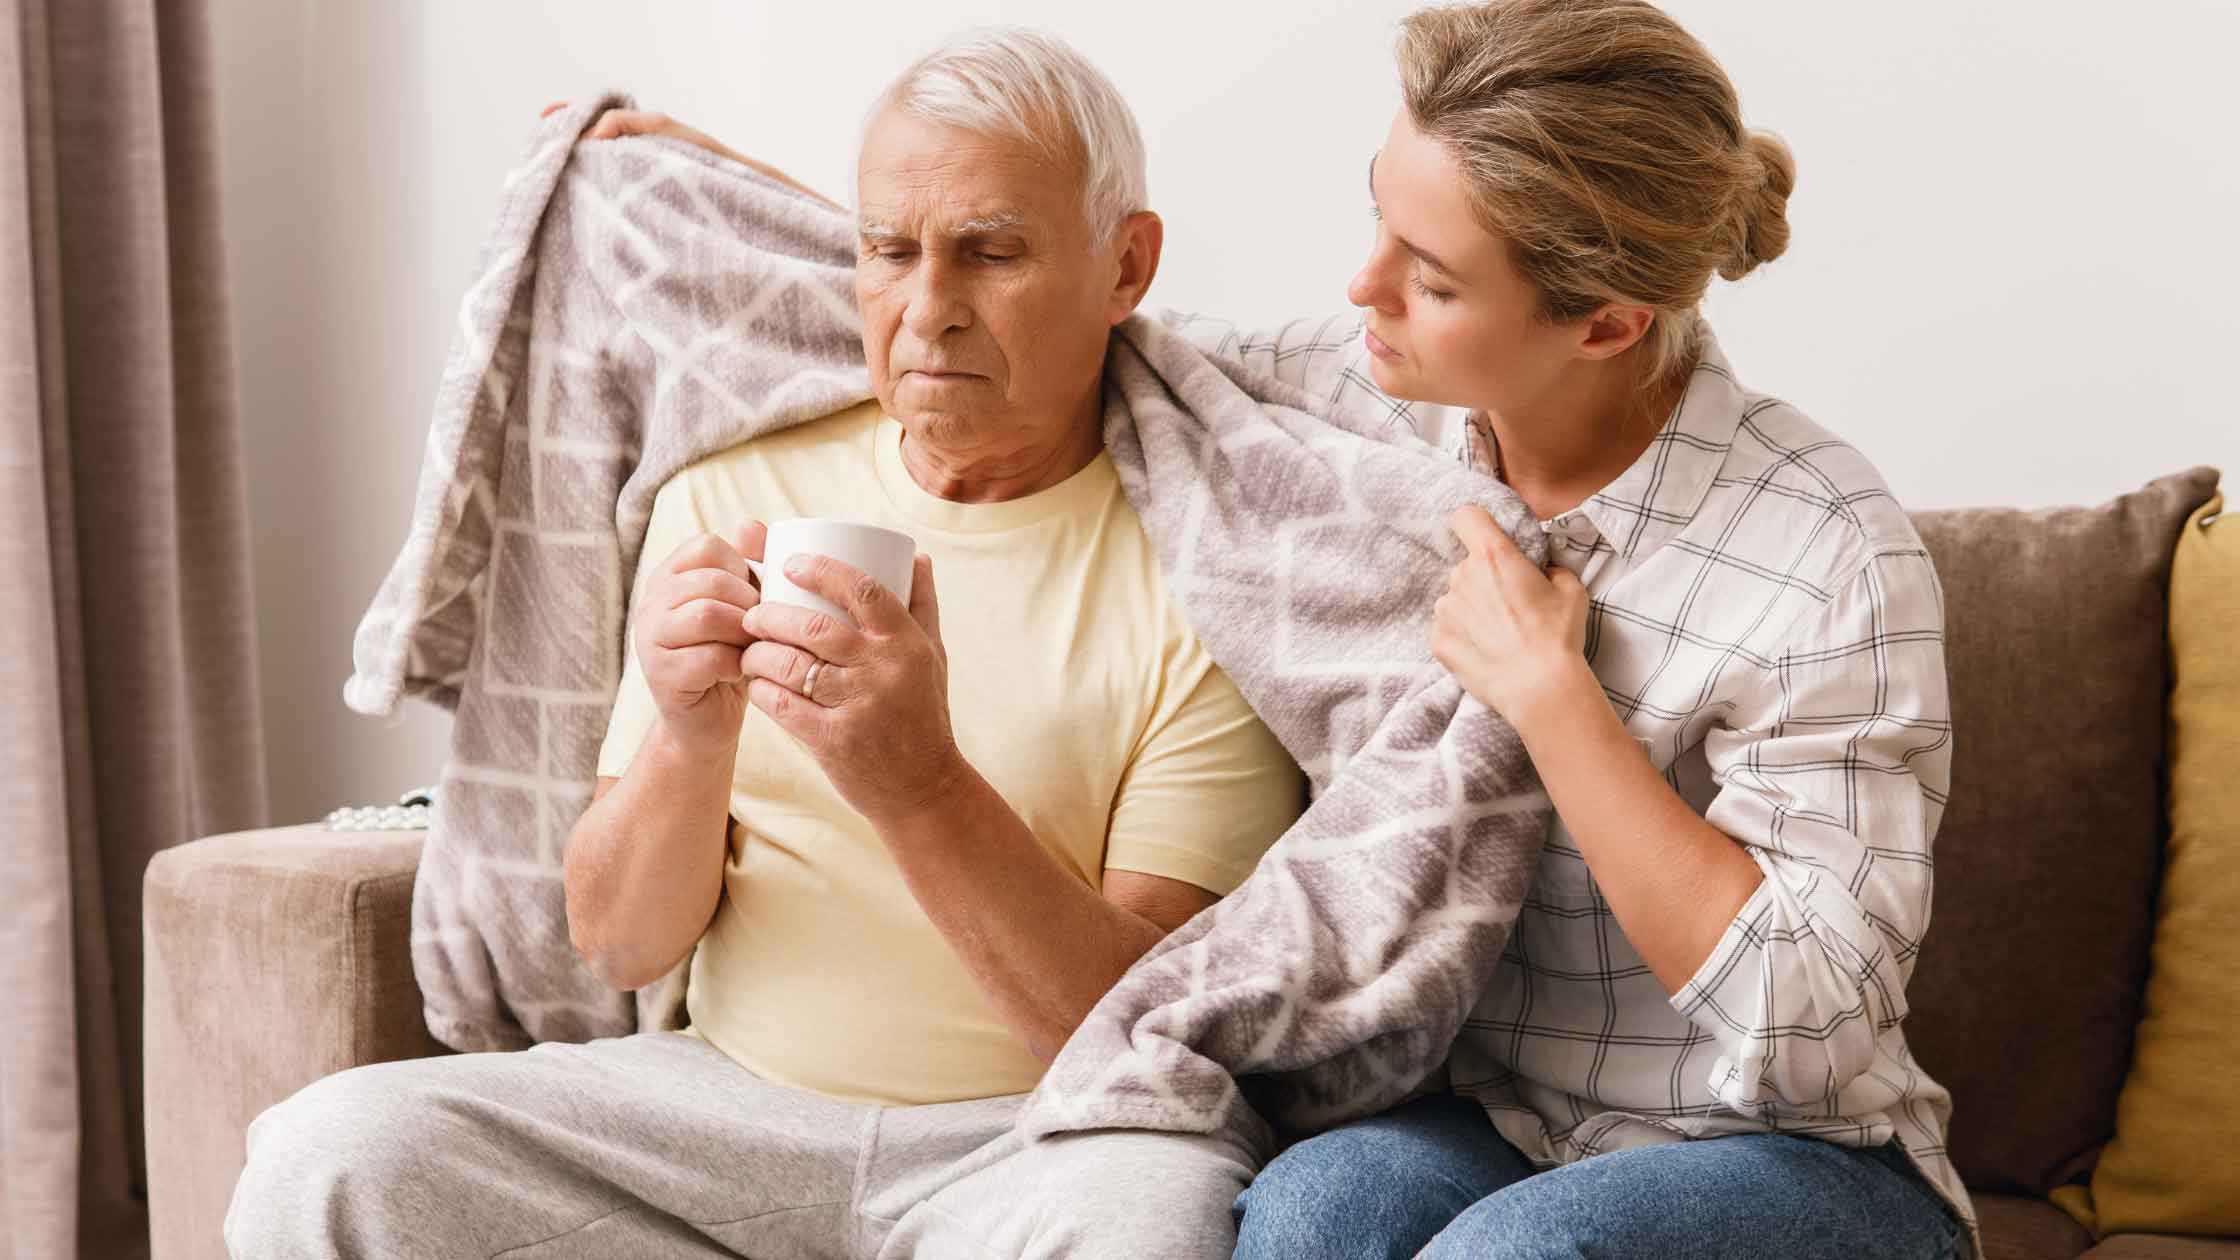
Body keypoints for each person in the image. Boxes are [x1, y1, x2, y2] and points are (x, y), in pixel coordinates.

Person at [497, 1, 1981, 1254]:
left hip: (1785, 1152)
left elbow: (1808, 1027)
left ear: (1602, 323)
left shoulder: (1823, 552)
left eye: (1431, 274)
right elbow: (1042, 313)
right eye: (1379, 225)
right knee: (1306, 1216)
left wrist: (1555, 701)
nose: (1361, 291)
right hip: (1499, 1116)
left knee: (1516, 1254)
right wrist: (700, 184)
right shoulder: (1358, 408)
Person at [223, 29, 1301, 1259]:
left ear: (1126, 264)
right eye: (887, 252)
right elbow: (619, 941)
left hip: (1038, 1140)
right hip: (719, 1110)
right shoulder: (735, 493)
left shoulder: (1214, 565)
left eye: (992, 253)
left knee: (1148, 1225)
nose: (928, 310)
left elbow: (1133, 1034)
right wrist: (687, 739)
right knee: (331, 1156)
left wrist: (918, 782)